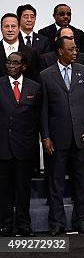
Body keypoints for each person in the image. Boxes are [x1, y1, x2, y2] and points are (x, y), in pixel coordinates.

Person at [40, 36, 84, 235]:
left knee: (82, 183)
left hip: (81, 137)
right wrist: (45, 137)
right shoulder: (46, 75)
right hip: (56, 139)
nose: (75, 52)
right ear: (60, 51)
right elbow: (43, 111)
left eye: (76, 49)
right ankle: (57, 223)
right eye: (71, 49)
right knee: (55, 184)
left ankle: (82, 222)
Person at [0, 52, 42, 237]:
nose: (11, 66)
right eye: (9, 62)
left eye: (15, 63)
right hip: (2, 147)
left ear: (23, 66)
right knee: (4, 189)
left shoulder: (35, 87)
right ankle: (6, 224)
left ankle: (24, 224)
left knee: (23, 188)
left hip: (25, 147)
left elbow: (39, 118)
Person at [1, 13, 39, 82]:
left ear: (19, 28)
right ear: (1, 29)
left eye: (13, 26)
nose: (10, 30)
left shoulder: (31, 53)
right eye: (6, 26)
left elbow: (34, 80)